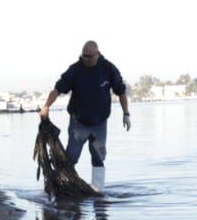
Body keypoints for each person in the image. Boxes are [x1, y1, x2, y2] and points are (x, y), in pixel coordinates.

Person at [39, 40, 130, 193]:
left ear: (98, 54)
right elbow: (57, 89)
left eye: (89, 56)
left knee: (99, 156)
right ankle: (61, 188)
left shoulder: (108, 69)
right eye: (83, 56)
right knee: (71, 157)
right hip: (78, 123)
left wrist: (126, 114)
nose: (85, 59)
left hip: (99, 124)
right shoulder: (75, 69)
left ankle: (97, 190)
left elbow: (121, 91)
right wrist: (46, 106)